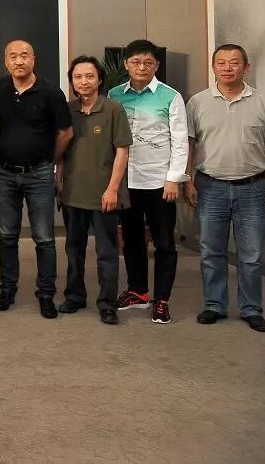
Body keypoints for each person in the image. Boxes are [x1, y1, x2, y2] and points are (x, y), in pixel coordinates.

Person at [184, 44, 265, 333]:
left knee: (251, 255)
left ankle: (251, 308)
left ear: (246, 67)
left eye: (234, 62)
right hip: (210, 187)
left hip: (253, 187)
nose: (227, 68)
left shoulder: (263, 103)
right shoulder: (198, 103)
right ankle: (214, 305)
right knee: (211, 251)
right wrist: (187, 180)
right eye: (221, 63)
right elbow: (189, 144)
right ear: (213, 67)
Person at [106, 39, 188, 324]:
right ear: (126, 64)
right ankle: (138, 292)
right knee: (131, 240)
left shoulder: (170, 97)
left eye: (148, 63)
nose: (141, 67)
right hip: (127, 181)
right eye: (136, 62)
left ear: (157, 65)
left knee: (164, 243)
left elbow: (180, 142)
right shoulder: (115, 94)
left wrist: (173, 179)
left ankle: (161, 300)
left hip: (159, 182)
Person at [0, 40, 73, 319]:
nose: (19, 61)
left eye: (24, 55)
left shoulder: (51, 92)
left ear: (33, 59)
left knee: (44, 238)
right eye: (13, 56)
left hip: (39, 174)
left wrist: (49, 159)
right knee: (6, 236)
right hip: (4, 173)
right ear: (6, 61)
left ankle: (46, 295)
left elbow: (66, 132)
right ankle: (7, 291)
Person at [58, 56, 131, 324]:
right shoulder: (68, 110)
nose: (83, 82)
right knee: (73, 249)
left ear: (99, 79)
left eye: (89, 76)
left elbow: (122, 151)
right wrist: (58, 181)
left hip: (104, 195)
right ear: (72, 81)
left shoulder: (113, 109)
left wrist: (113, 189)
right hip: (73, 193)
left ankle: (107, 303)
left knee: (107, 252)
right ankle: (75, 296)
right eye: (78, 77)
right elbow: (63, 152)